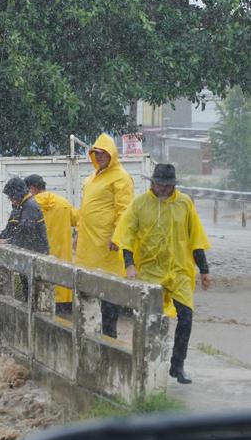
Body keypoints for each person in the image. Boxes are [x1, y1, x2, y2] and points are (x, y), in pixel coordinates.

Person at [113, 164, 211, 384]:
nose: (164, 189)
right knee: (150, 319)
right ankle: (146, 362)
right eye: (160, 184)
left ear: (174, 184)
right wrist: (129, 264)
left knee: (186, 317)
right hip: (149, 271)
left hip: (180, 271)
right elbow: (125, 236)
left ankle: (178, 366)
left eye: (168, 185)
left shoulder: (184, 203)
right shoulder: (139, 204)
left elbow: (196, 237)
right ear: (152, 183)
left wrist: (204, 270)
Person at [75, 134, 134, 338]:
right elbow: (85, 209)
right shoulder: (92, 177)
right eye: (96, 153)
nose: (99, 157)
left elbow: (124, 211)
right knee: (87, 290)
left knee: (109, 293)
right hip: (87, 244)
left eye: (103, 153)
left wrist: (118, 237)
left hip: (107, 245)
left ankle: (110, 338)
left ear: (111, 154)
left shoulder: (121, 177)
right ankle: (90, 336)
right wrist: (78, 233)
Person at [25, 174, 80, 313]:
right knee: (64, 318)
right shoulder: (63, 204)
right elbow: (81, 221)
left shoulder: (30, 205)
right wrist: (77, 238)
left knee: (41, 311)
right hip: (62, 265)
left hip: (40, 260)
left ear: (32, 188)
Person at [0, 177, 49, 299]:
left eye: (11, 196)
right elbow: (11, 227)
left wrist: (7, 241)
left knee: (34, 293)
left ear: (18, 194)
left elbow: (26, 233)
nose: (10, 199)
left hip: (36, 254)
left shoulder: (30, 206)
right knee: (26, 289)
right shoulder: (19, 206)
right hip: (26, 255)